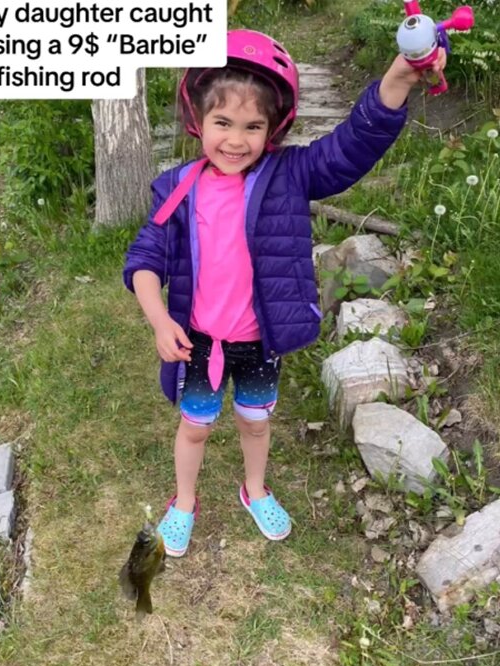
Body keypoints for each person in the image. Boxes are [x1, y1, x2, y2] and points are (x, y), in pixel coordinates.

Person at [123, 30, 446, 557]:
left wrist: (397, 80)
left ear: (274, 129)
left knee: (255, 420)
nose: (236, 140)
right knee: (195, 428)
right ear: (197, 122)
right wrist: (160, 320)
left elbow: (350, 148)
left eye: (253, 126)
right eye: (222, 123)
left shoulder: (290, 175)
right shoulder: (175, 188)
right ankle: (183, 501)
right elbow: (143, 260)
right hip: (198, 342)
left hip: (259, 340)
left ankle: (254, 490)